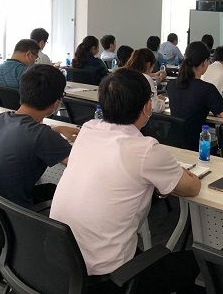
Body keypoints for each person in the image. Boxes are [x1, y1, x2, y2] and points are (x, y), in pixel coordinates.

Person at [50, 69, 201, 292]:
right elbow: (192, 188)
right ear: (147, 106)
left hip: (59, 261)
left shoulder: (89, 129)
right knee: (195, 263)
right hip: (107, 276)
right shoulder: (145, 149)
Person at [0, 65, 78, 210]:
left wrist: (56, 129)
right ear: (57, 103)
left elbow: (23, 131)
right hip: (10, 215)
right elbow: (80, 165)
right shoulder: (42, 135)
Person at [167, 42, 223, 150]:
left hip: (171, 144)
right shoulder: (207, 89)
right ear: (205, 62)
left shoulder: (171, 84)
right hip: (196, 148)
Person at [124, 48, 166, 113]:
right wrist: (161, 101)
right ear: (149, 64)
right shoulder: (146, 79)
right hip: (138, 116)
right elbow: (155, 108)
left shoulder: (125, 74)